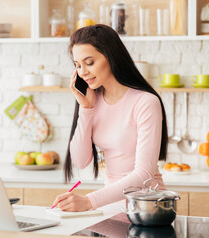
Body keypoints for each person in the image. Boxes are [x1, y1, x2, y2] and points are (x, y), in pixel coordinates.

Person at [52, 24, 168, 212]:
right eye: (78, 65)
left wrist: (89, 201)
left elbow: (144, 174)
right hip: (110, 208)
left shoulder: (145, 102)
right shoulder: (93, 101)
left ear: (111, 56)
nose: (83, 72)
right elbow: (81, 161)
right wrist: (86, 109)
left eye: (89, 63)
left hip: (147, 209)